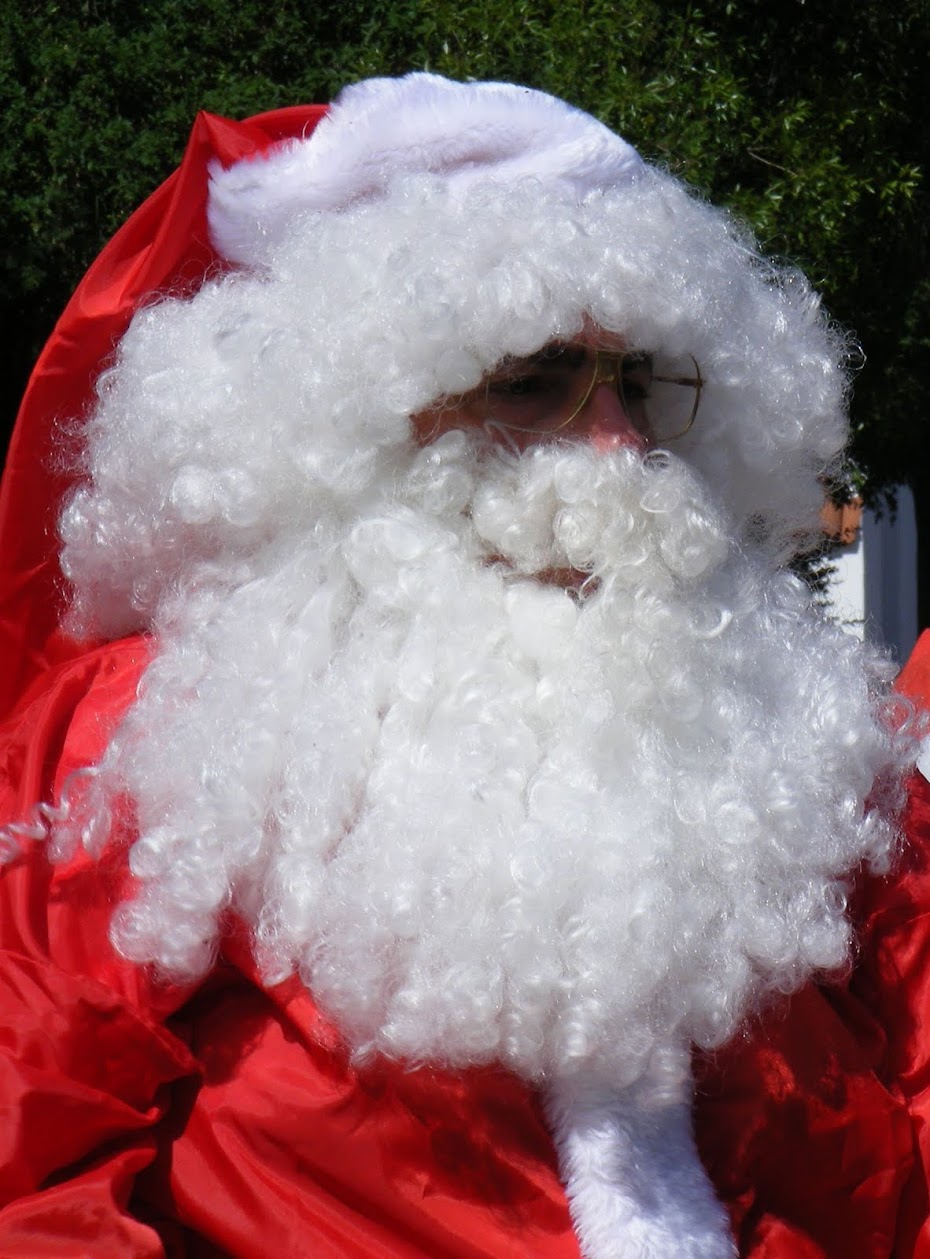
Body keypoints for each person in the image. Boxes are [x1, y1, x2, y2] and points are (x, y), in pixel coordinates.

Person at [0, 72, 928, 1259]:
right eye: (530, 382)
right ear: (341, 422)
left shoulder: (809, 733)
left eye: (639, 385)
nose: (616, 448)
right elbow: (33, 1169)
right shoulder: (140, 734)